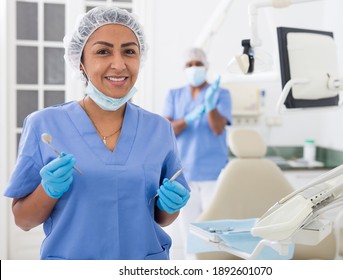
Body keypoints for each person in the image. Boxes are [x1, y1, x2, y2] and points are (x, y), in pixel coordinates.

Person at [3, 6, 190, 260]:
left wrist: (169, 206)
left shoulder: (159, 129)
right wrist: (48, 190)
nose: (119, 64)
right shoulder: (44, 125)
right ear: (80, 62)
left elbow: (163, 218)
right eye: (103, 51)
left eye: (129, 51)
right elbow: (23, 220)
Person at [163, 48, 232, 258]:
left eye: (198, 64)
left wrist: (210, 106)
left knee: (214, 232)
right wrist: (189, 118)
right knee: (188, 232)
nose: (194, 68)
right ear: (184, 68)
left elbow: (218, 128)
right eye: (189, 65)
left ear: (206, 66)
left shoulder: (220, 94)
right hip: (184, 172)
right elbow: (168, 129)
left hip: (213, 173)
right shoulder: (174, 95)